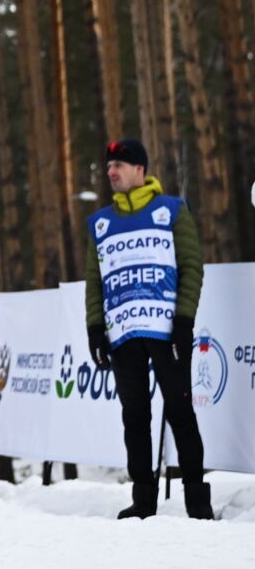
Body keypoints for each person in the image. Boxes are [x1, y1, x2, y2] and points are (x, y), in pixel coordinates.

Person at [85, 139, 210, 520]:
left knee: (180, 411)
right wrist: (95, 329)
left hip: (166, 331)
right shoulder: (101, 223)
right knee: (135, 417)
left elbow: (192, 267)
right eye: (109, 166)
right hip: (124, 336)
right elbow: (95, 281)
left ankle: (197, 500)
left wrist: (184, 321)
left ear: (140, 170)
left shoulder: (171, 211)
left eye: (119, 164)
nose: (111, 172)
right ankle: (143, 500)